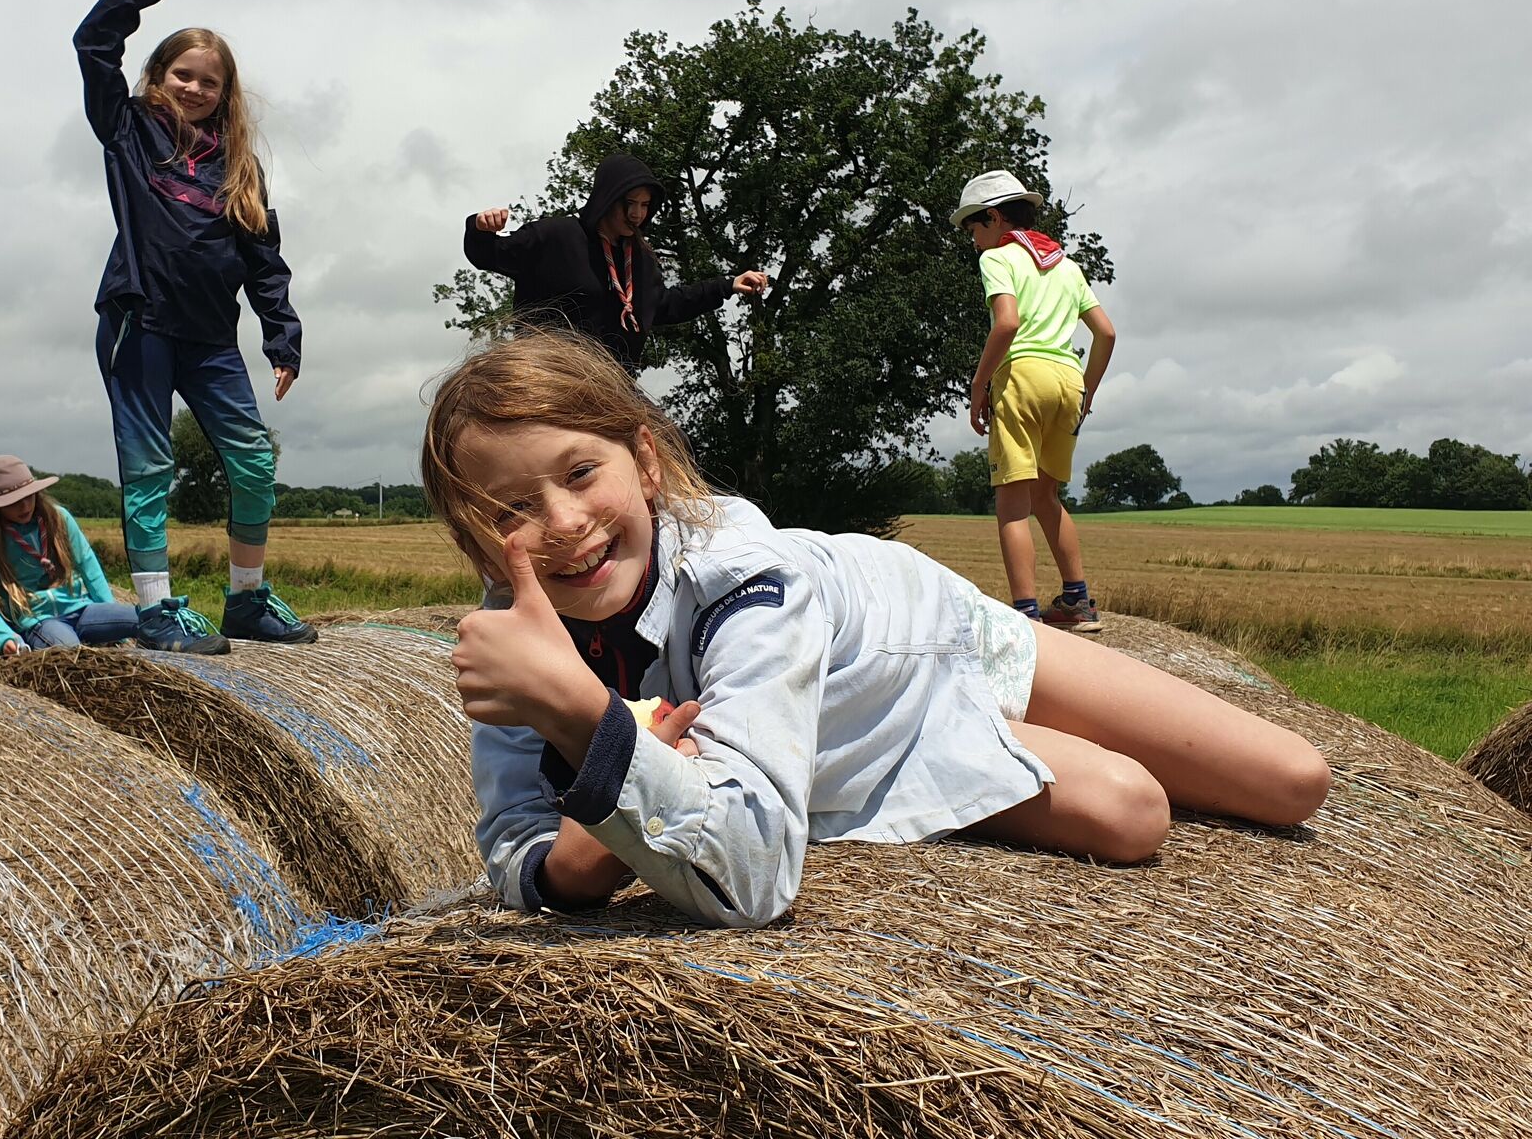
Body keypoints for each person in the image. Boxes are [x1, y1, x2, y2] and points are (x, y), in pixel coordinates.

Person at [422, 332, 1328, 929]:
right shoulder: (513, 644)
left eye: (582, 472)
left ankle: (1012, 722)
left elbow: (749, 873)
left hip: (923, 641)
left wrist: (590, 723)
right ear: (478, 544)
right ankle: (984, 750)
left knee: (1293, 781)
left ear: (647, 462)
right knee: (1131, 814)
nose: (564, 522)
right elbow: (517, 844)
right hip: (851, 747)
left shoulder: (744, 575)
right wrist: (575, 866)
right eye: (510, 508)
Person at [73, 0, 315, 646]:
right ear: (158, 77)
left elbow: (265, 260)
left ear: (226, 93)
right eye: (183, 74)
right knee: (151, 465)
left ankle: (246, 598)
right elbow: (93, 43)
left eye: (211, 81)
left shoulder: (238, 167)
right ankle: (154, 609)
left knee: (253, 463)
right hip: (138, 322)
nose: (196, 88)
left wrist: (282, 333)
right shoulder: (129, 129)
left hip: (211, 338)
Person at [955, 169, 1117, 629]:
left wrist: (978, 385)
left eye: (973, 227)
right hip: (1069, 379)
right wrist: (1088, 390)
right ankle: (1078, 603)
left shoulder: (998, 259)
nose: (972, 240)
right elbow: (1105, 333)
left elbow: (1006, 323)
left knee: (1012, 502)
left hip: (1023, 375)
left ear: (994, 217)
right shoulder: (1066, 266)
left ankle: (1026, 615)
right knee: (1048, 494)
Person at [463, 152, 769, 374]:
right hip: (550, 376)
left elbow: (662, 305)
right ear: (607, 198)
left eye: (645, 205)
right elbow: (488, 253)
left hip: (613, 386)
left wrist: (727, 285)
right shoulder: (557, 236)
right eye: (630, 203)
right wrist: (480, 227)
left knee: (675, 445)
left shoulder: (640, 260)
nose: (637, 214)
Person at [0, 455, 224, 656]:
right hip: (41, 622)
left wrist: (109, 613)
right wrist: (7, 639)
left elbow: (89, 567)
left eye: (28, 497)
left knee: (146, 617)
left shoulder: (59, 519)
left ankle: (185, 643)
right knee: (73, 657)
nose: (24, 506)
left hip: (83, 610)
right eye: (14, 501)